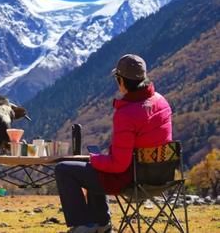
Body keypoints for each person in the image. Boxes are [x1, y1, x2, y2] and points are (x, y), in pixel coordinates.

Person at [54, 54, 173, 233]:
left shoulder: (127, 113)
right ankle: (102, 224)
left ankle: (83, 226)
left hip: (133, 178)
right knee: (96, 166)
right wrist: (98, 161)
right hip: (161, 176)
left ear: (121, 81)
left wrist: (95, 159)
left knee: (64, 169)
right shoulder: (161, 101)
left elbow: (118, 165)